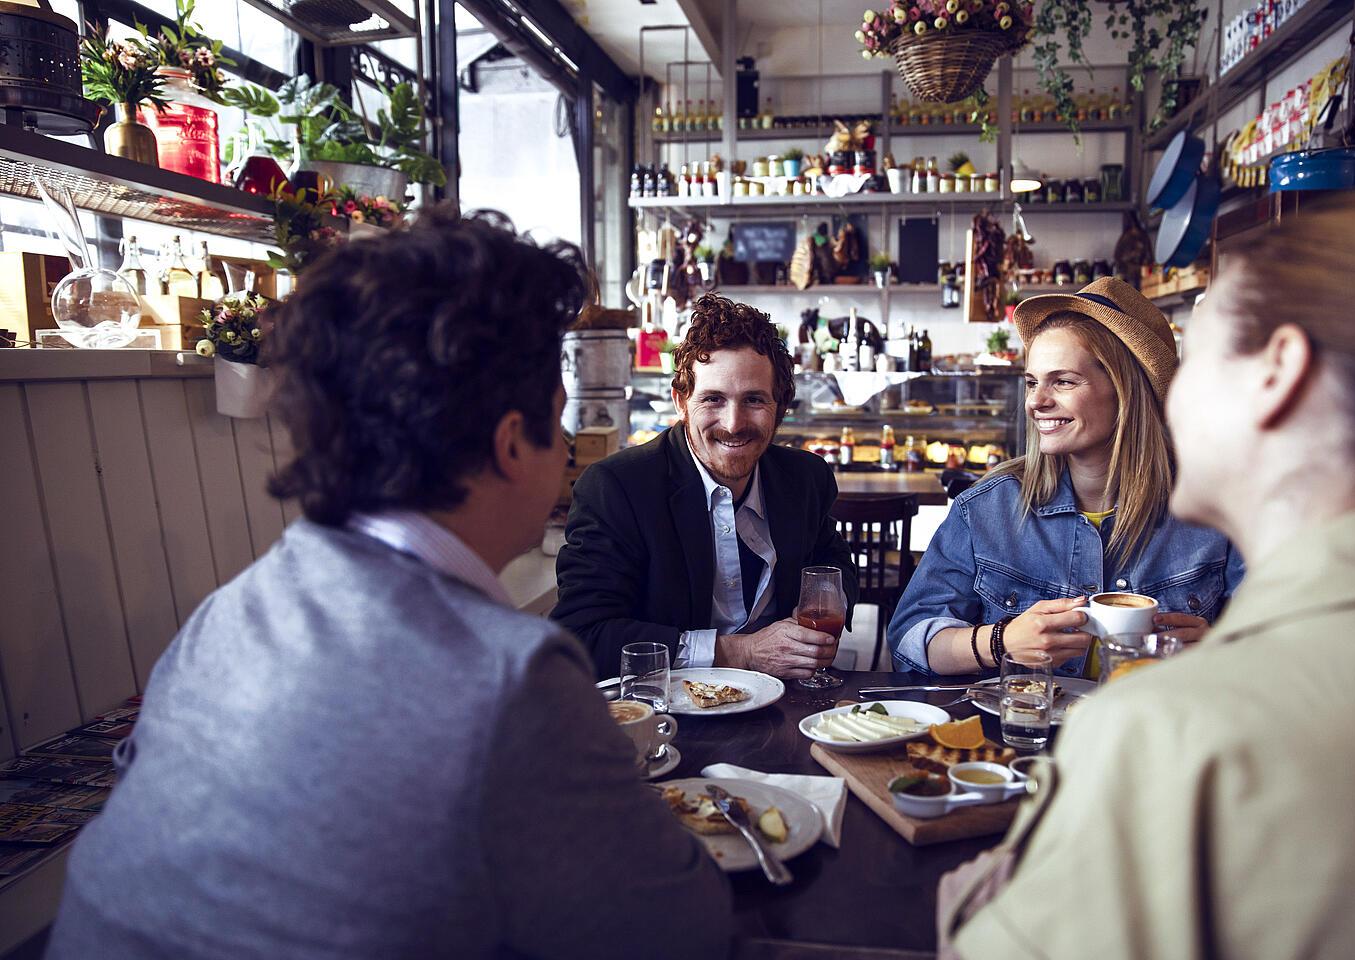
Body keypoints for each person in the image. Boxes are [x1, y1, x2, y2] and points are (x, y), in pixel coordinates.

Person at [46, 211, 731, 960]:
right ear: (511, 444)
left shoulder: (225, 613)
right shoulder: (512, 676)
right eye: (558, 424)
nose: (566, 452)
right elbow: (681, 930)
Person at [940, 186, 1355, 958]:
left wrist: (974, 907)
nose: (1170, 394)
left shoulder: (1159, 733)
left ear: (1279, 372)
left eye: (1196, 356)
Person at [888, 276, 1243, 677]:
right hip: (1021, 735)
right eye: (1032, 382)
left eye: (1063, 381)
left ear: (1127, 390)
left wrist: (1219, 647)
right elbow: (908, 639)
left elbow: (1288, 651)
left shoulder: (1217, 512)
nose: (1037, 401)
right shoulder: (988, 509)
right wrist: (999, 641)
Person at [554, 293, 858, 680]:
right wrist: (740, 651)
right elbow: (583, 636)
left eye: (754, 400)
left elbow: (836, 567)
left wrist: (818, 608)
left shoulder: (806, 478)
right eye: (713, 399)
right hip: (670, 716)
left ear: (780, 406)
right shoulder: (617, 488)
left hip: (786, 704)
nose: (733, 423)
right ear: (681, 402)